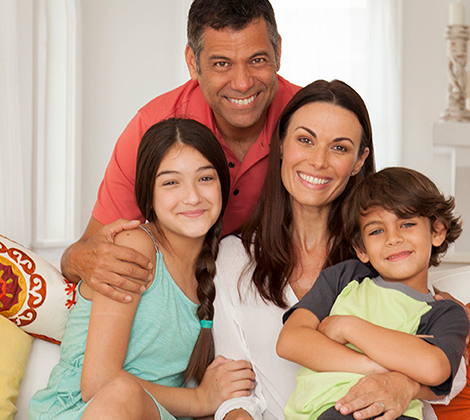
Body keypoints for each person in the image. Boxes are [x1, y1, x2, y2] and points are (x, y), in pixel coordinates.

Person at [211, 80, 467, 420]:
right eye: (305, 140)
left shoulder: (381, 251)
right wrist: (379, 369)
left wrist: (404, 386)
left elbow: (453, 372)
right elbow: (234, 392)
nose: (318, 161)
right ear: (282, 145)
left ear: (360, 160)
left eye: (340, 148)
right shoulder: (234, 257)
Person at [60, 0, 300, 302]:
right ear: (192, 62)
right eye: (222, 63)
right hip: (183, 303)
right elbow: (84, 253)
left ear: (277, 52)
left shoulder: (310, 121)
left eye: (257, 60)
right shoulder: (152, 127)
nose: (242, 83)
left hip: (277, 299)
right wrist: (80, 260)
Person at [29, 119, 255, 419]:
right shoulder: (135, 248)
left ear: (222, 187)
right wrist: (199, 400)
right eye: (171, 182)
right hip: (84, 411)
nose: (192, 197)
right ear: (148, 194)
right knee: (122, 394)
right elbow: (98, 383)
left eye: (205, 179)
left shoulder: (219, 266)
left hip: (155, 413)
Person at [277, 167, 469, 420]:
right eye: (377, 231)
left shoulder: (445, 312)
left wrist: (348, 327)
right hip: (327, 410)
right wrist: (376, 366)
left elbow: (434, 368)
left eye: (407, 224)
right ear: (361, 248)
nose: (393, 238)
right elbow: (290, 342)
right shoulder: (345, 278)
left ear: (436, 232)